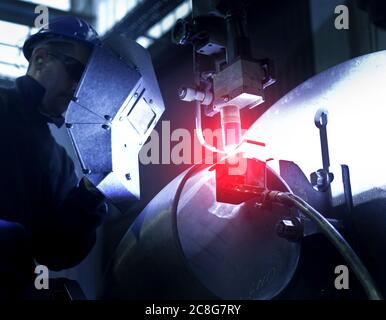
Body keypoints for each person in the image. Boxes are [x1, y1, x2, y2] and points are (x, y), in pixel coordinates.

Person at [0, 16, 107, 299]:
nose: (77, 89)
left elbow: (54, 252)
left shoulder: (60, 162)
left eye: (85, 82)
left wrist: (91, 193)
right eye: (75, 72)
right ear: (41, 59)